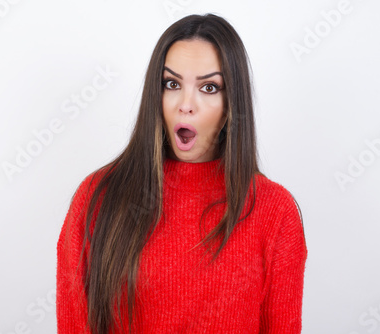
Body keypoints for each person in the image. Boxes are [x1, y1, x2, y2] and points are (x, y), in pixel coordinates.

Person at [56, 13, 307, 334]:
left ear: (233, 103)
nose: (186, 104)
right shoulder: (98, 196)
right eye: (172, 84)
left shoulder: (274, 210)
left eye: (209, 87)